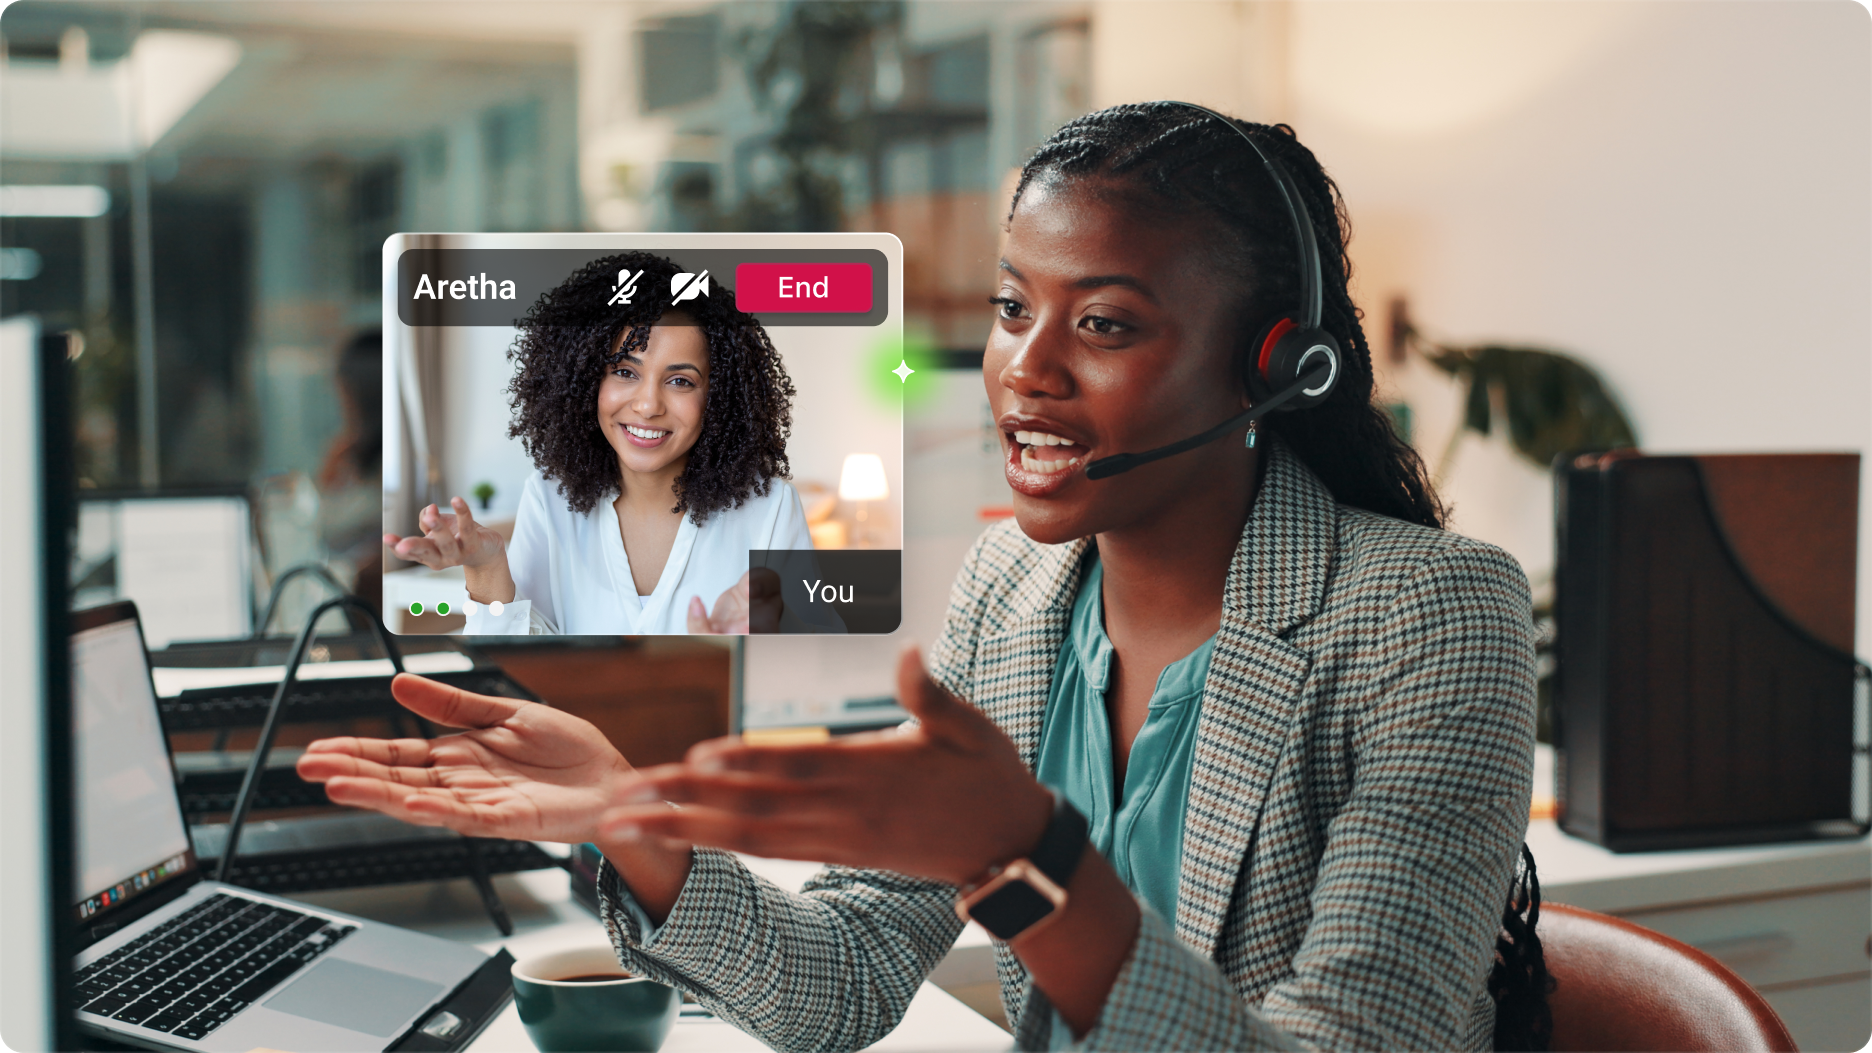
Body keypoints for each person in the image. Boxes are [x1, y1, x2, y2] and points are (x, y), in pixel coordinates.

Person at [305, 103, 1548, 1051]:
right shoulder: (1014, 590)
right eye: (1016, 309)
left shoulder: (1432, 615)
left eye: (1104, 324)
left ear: (1273, 367)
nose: (1025, 371)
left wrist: (1025, 861)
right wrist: (637, 824)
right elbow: (844, 977)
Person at [385, 252, 812, 634]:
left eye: (680, 380)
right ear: (586, 378)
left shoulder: (770, 509)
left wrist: (741, 653)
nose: (647, 405)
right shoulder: (550, 497)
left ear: (718, 398)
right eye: (625, 372)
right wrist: (486, 568)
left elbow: (816, 664)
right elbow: (521, 672)